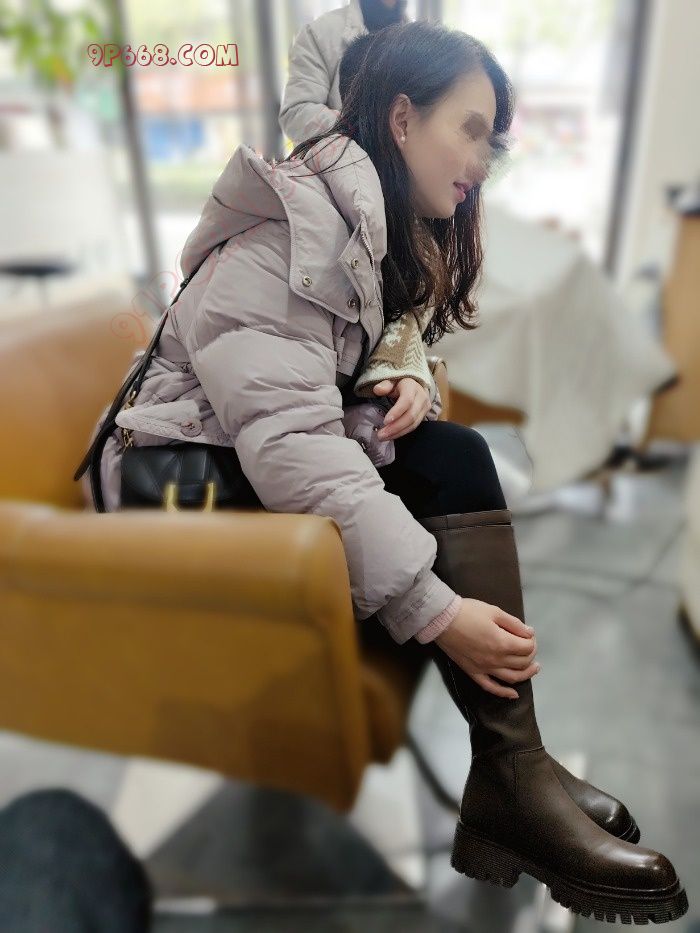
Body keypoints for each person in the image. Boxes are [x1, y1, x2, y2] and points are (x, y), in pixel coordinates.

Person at [86, 20, 688, 924]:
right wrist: (437, 611)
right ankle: (513, 775)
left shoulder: (358, 223)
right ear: (402, 119)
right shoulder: (288, 233)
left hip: (230, 457)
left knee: (453, 453)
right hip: (170, 496)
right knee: (443, 465)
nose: (482, 162)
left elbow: (314, 383)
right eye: (470, 130)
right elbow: (292, 444)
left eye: (493, 142)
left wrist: (398, 375)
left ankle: (511, 766)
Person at [279, 0, 409, 145]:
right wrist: (361, 131)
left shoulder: (419, 38)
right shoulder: (319, 34)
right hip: (349, 157)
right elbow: (296, 114)